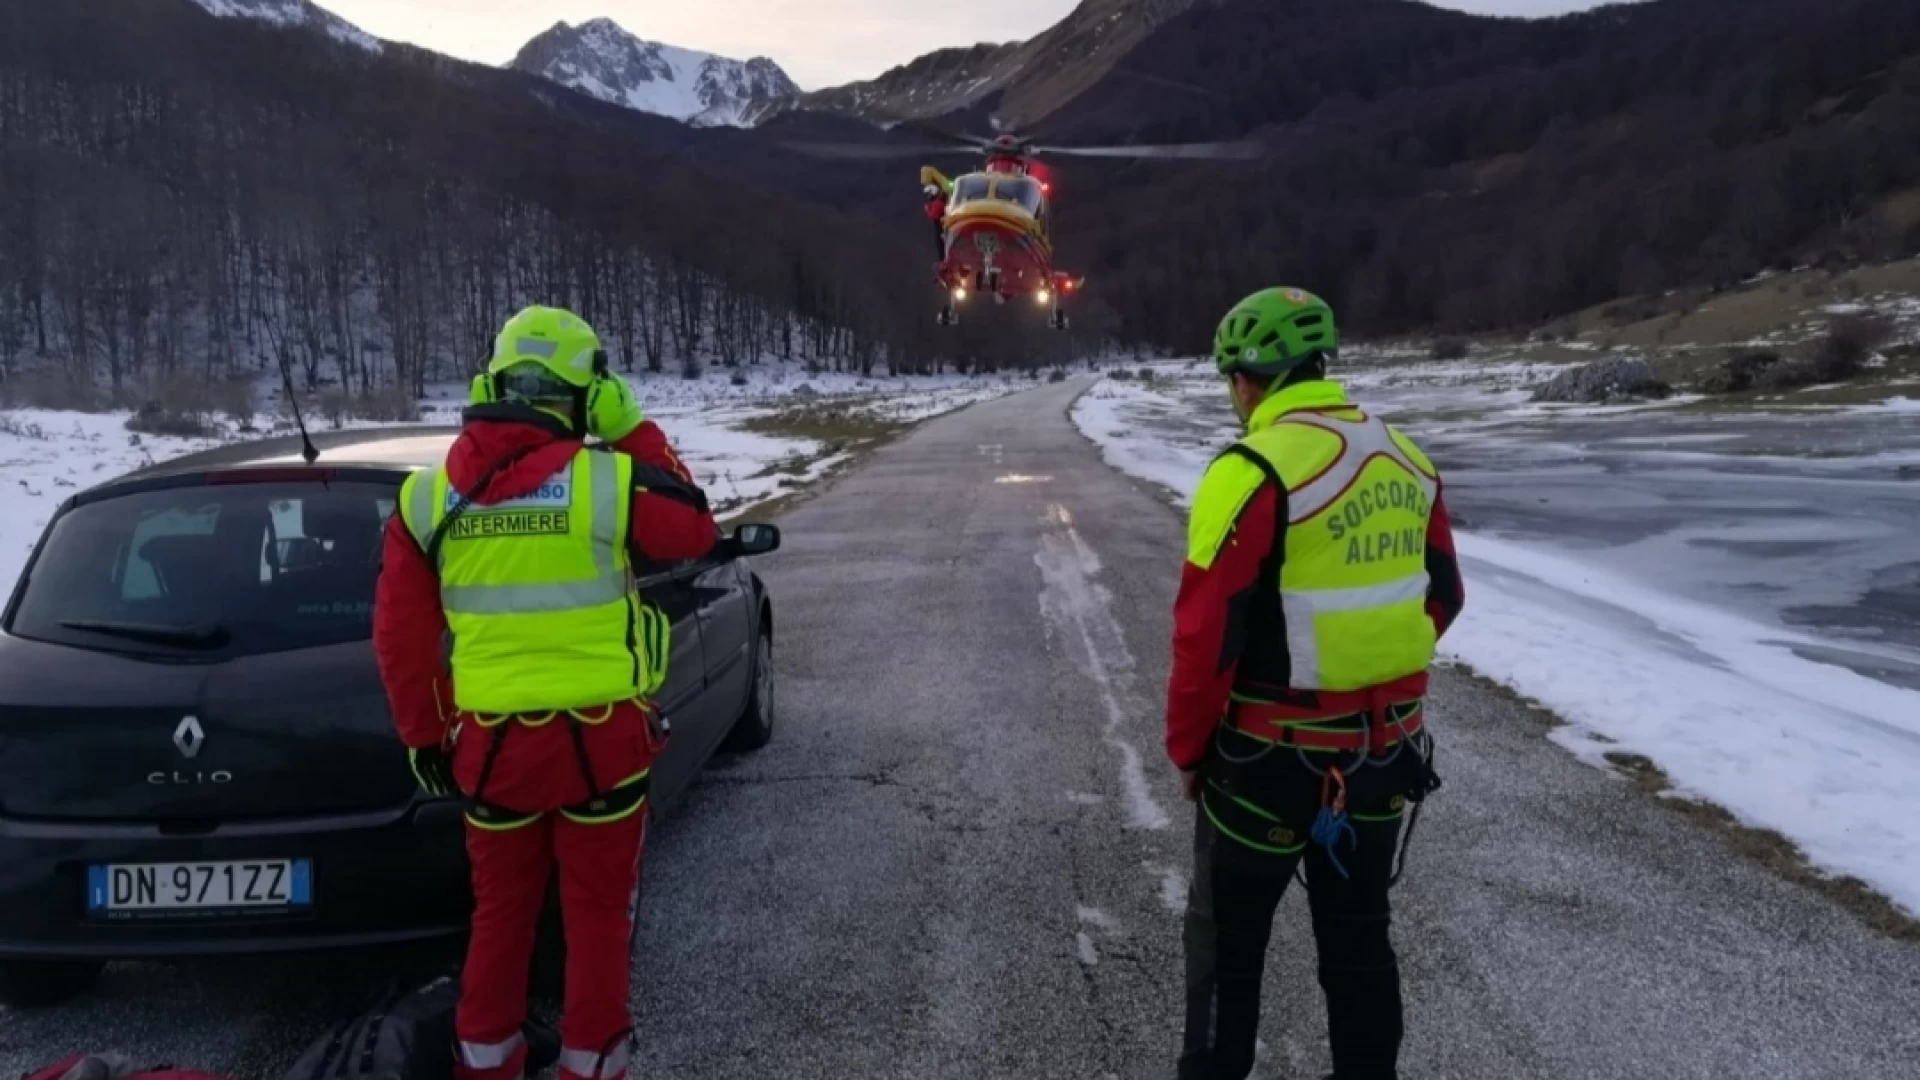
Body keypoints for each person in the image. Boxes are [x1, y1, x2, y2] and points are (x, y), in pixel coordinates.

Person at [374, 305, 718, 1080]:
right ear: (584, 394)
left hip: (494, 756)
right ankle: (591, 1065)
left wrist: (425, 738)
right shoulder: (611, 480)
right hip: (602, 748)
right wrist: (630, 427)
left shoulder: (425, 503)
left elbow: (400, 641)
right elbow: (695, 528)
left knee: (500, 918)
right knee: (597, 920)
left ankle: (486, 1063)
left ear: (488, 384)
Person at [1167, 287, 1466, 1080]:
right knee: (1360, 937)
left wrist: (1191, 753)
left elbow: (1205, 640)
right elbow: (1443, 596)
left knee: (1227, 950)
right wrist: (1368, 672)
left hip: (1267, 762)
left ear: (1248, 381)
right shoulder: (1407, 456)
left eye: (1231, 380)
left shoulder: (1250, 468)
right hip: (1382, 756)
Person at [921, 165, 952, 261]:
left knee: (941, 245)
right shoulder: (939, 201)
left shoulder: (937, 203)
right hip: (943, 226)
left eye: (928, 194)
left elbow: (933, 215)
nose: (928, 196)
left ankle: (944, 261)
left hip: (941, 227)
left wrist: (927, 209)